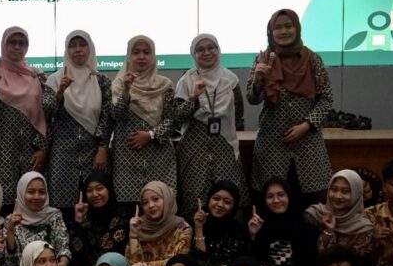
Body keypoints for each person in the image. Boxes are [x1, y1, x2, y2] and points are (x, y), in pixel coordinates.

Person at [246, 8, 333, 203]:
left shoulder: (312, 59)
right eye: (278, 28)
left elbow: (326, 99)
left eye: (288, 26)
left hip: (307, 144)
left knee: (306, 203)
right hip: (272, 145)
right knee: (273, 201)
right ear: (271, 32)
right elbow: (252, 99)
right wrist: (258, 79)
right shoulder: (263, 59)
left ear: (297, 28)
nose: (283, 31)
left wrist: (306, 125)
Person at [0, 26, 56, 206]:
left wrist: (42, 148)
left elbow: (49, 115)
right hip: (1, 153)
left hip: (30, 153)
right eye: (12, 42)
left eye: (22, 43)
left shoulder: (37, 76)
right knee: (2, 203)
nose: (17, 47)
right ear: (4, 44)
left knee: (30, 203)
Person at [175, 33, 249, 216]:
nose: (206, 52)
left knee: (226, 197)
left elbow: (239, 114)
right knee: (195, 201)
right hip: (194, 151)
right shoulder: (186, 80)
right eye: (200, 49)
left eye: (211, 48)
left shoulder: (231, 80)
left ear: (218, 50)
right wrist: (194, 97)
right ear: (193, 54)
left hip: (224, 148)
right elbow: (177, 117)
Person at [45, 30, 113, 209]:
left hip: (93, 152)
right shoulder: (55, 79)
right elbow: (47, 113)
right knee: (63, 204)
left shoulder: (101, 80)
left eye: (82, 45)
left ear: (90, 48)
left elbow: (107, 116)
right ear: (67, 50)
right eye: (72, 45)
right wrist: (60, 92)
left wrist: (102, 148)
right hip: (62, 154)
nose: (77, 49)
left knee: (95, 201)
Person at [110, 35, 177, 203]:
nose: (141, 57)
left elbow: (172, 120)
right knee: (129, 209)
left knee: (160, 206)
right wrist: (126, 90)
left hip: (159, 158)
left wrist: (150, 135)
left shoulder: (164, 85)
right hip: (126, 160)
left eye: (146, 52)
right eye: (136, 52)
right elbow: (117, 115)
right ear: (128, 56)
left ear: (153, 56)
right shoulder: (118, 84)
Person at [247, 177, 319, 266]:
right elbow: (253, 264)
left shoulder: (306, 230)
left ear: (289, 196)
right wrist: (253, 235)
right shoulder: (260, 228)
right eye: (270, 196)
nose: (276, 200)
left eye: (281, 195)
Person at [126, 181, 191, 266]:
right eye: (145, 202)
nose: (151, 205)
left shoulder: (182, 228)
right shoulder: (138, 225)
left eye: (156, 199)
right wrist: (133, 235)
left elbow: (177, 263)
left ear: (167, 199)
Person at [4, 172, 71, 266]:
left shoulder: (54, 216)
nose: (36, 197)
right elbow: (11, 263)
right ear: (21, 193)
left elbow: (63, 247)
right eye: (31, 192)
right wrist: (10, 230)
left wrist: (62, 265)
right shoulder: (11, 221)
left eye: (41, 192)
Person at [189, 180, 250, 266]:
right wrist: (199, 228)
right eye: (216, 198)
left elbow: (227, 263)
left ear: (234, 206)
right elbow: (200, 261)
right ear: (209, 200)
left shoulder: (238, 230)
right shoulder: (193, 225)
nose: (220, 204)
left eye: (227, 202)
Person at [70, 172, 132, 266]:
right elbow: (77, 253)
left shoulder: (122, 214)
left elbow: (111, 247)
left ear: (109, 189)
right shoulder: (84, 215)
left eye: (99, 189)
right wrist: (78, 222)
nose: (94, 194)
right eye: (89, 190)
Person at [305, 169, 374, 255]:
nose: (338, 196)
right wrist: (327, 231)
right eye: (334, 189)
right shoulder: (313, 215)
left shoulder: (364, 228)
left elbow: (355, 261)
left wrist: (329, 231)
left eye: (345, 191)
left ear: (356, 194)